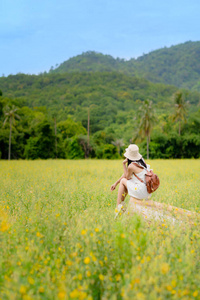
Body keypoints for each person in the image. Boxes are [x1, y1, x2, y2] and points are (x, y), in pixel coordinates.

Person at [110, 144, 151, 218]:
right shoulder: (141, 161)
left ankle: (118, 208)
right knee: (123, 181)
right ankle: (121, 207)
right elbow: (126, 174)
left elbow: (127, 177)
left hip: (140, 190)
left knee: (123, 181)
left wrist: (123, 164)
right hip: (146, 190)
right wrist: (115, 183)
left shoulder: (131, 166)